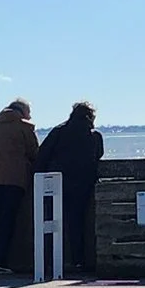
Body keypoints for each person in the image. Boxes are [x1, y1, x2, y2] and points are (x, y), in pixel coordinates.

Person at [35, 101, 104, 278]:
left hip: (57, 183)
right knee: (77, 222)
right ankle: (78, 260)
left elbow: (42, 155)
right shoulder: (94, 135)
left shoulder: (59, 131)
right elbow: (98, 155)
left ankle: (48, 262)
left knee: (50, 222)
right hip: (82, 184)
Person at [0, 98, 36, 276]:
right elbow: (34, 153)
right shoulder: (24, 128)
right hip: (14, 180)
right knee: (7, 221)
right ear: (23, 113)